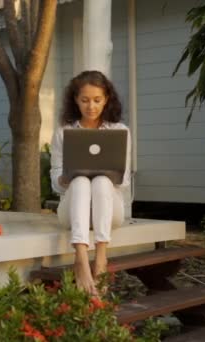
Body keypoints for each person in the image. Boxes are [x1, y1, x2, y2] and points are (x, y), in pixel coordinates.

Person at [50, 70, 131, 296]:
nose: (91, 107)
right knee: (80, 182)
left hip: (109, 210)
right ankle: (82, 259)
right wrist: (68, 176)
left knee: (102, 180)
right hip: (73, 210)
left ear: (107, 99)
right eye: (84, 100)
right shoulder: (63, 133)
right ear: (75, 100)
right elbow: (55, 183)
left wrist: (101, 172)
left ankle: (102, 257)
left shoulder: (119, 132)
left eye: (97, 100)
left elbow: (123, 180)